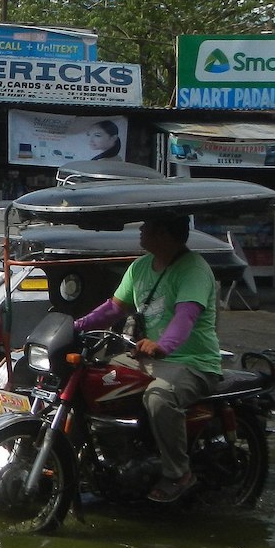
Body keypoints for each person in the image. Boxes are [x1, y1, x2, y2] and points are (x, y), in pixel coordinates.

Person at [73, 211, 221, 502]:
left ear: (165, 234)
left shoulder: (194, 269)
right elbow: (114, 309)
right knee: (93, 378)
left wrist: (163, 345)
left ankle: (179, 473)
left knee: (159, 396)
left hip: (193, 363)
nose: (140, 230)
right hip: (147, 358)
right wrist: (75, 326)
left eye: (147, 226)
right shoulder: (140, 267)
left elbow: (186, 316)